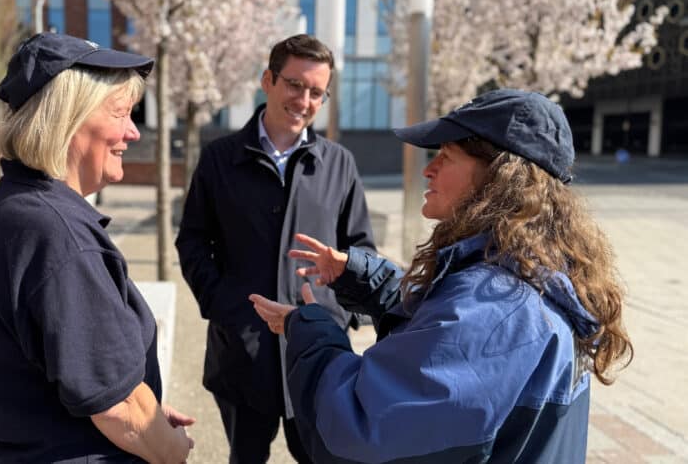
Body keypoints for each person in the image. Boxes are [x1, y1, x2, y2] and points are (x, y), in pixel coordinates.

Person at [251, 89, 632, 463]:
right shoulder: (534, 271)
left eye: (446, 157)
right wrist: (365, 279)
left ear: (498, 179)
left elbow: (360, 429)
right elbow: (445, 327)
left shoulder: (496, 306)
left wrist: (311, 329)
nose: (428, 169)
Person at [0, 32, 194, 463]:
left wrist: (149, 411)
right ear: (67, 119)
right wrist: (170, 447)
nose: (133, 131)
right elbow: (119, 409)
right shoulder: (56, 234)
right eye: (121, 113)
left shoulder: (13, 206)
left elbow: (61, 364)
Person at [176, 34, 376, 463]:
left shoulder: (339, 164)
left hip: (318, 351)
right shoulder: (220, 158)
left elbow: (361, 248)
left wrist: (338, 317)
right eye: (294, 84)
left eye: (316, 92)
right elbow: (192, 240)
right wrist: (225, 305)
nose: (304, 100)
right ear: (268, 80)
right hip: (242, 352)